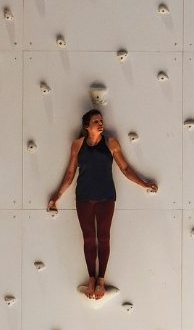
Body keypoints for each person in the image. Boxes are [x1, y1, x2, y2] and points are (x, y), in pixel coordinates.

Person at [47, 108, 157, 299]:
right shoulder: (77, 145)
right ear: (87, 126)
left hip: (106, 196)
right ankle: (91, 278)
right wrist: (57, 195)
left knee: (104, 237)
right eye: (96, 121)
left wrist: (144, 184)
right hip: (84, 197)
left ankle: (101, 281)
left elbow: (124, 168)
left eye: (101, 120)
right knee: (89, 238)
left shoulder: (110, 143)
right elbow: (70, 173)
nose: (100, 123)